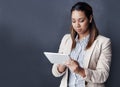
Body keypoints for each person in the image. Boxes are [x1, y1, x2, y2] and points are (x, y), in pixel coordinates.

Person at [52, 2, 112, 87]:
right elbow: (55, 72)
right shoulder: (66, 39)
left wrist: (80, 71)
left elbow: (103, 75)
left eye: (81, 20)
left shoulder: (103, 43)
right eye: (73, 21)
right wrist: (63, 64)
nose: (77, 25)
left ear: (90, 18)